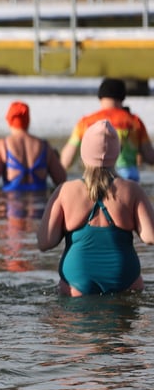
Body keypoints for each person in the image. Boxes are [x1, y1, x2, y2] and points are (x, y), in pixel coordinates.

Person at [37, 120, 154, 296]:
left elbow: (45, 242)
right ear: (116, 153)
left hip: (76, 282)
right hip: (125, 280)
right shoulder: (132, 189)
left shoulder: (66, 191)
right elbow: (150, 237)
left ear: (84, 152)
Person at [59, 77, 154, 181]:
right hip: (128, 181)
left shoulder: (86, 123)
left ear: (100, 97)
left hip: (96, 181)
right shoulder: (134, 122)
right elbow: (150, 157)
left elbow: (66, 161)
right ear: (122, 97)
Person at [0, 100, 67, 192]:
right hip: (40, 198)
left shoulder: (3, 146)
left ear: (9, 121)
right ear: (28, 120)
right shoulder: (45, 146)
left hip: (11, 199)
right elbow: (61, 178)